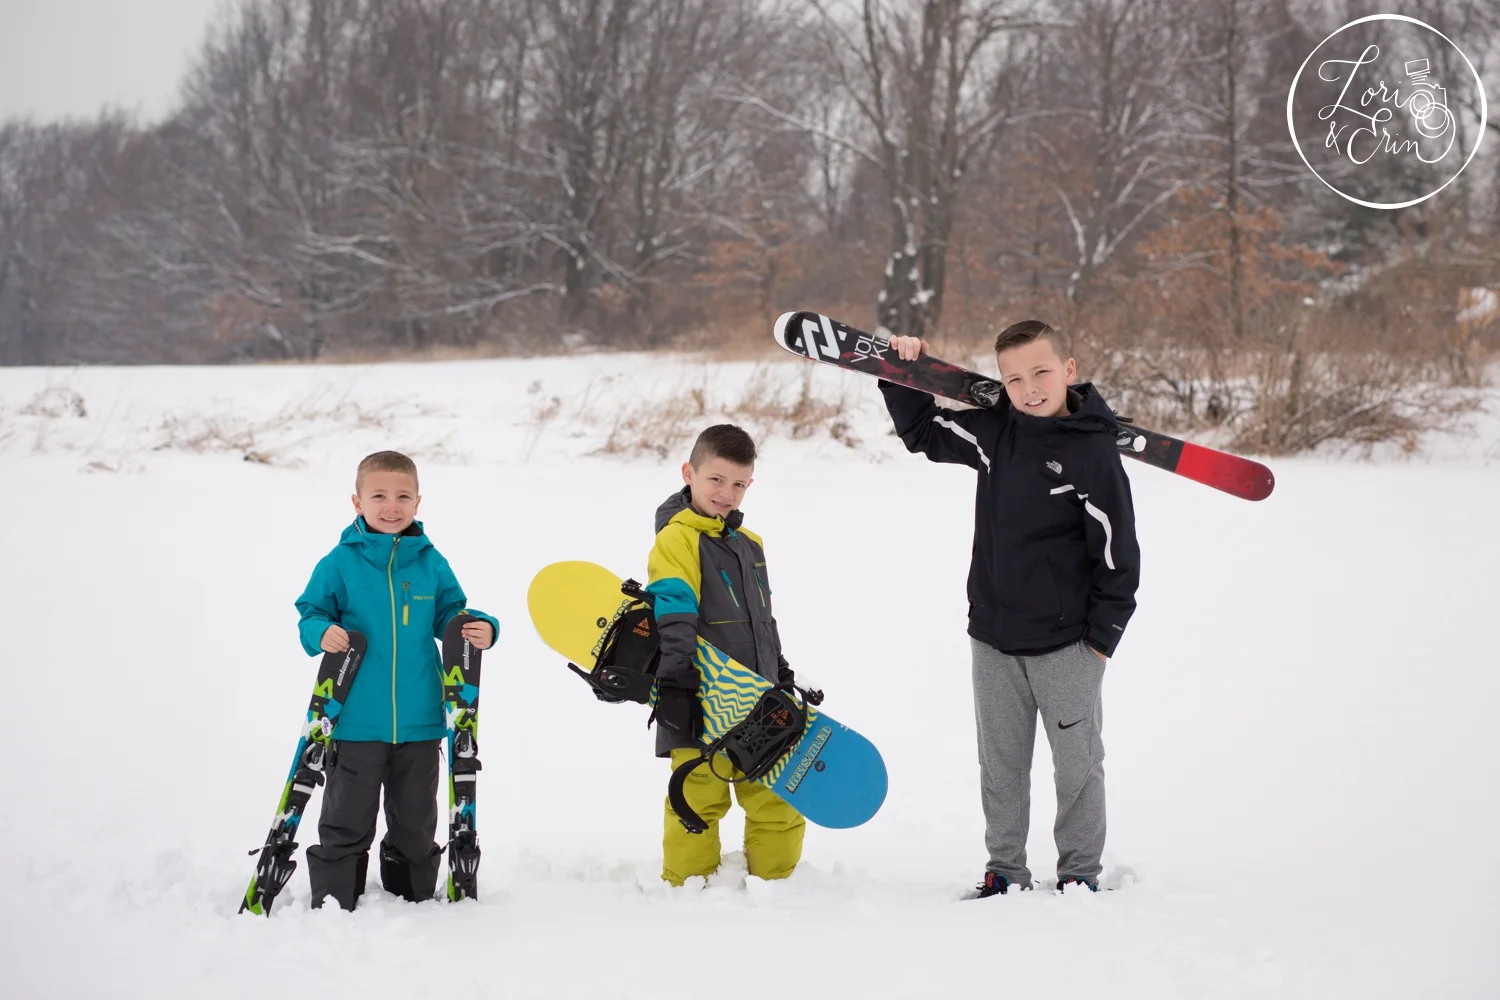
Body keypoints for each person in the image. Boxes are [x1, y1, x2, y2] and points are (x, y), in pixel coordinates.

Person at [882, 321, 1141, 895]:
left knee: (1076, 767)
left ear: (1068, 370)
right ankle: (1005, 870)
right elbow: (924, 432)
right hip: (994, 638)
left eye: (1041, 372)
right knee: (1000, 767)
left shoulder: (1092, 451)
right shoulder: (995, 433)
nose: (1029, 387)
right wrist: (902, 372)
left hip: (1068, 645)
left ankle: (1079, 874)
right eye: (1014, 378)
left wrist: (1101, 640)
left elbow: (1118, 555)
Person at [294, 449, 498, 910]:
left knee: (415, 821)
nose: (392, 506)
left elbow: (452, 613)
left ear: (418, 502)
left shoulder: (429, 561)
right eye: (380, 496)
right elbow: (311, 611)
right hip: (354, 720)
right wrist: (319, 632)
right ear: (357, 501)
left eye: (403, 496)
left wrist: (483, 626)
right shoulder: (340, 562)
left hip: (421, 721)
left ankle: (412, 894)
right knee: (346, 817)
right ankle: (334, 898)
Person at [645, 424, 806, 886]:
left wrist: (778, 668)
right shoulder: (676, 539)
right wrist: (676, 683)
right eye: (716, 479)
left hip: (757, 691)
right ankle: (687, 887)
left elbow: (762, 617)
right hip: (700, 693)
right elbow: (674, 611)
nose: (726, 493)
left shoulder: (748, 543)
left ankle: (778, 887)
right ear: (689, 473)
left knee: (776, 792)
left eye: (738, 483)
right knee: (697, 794)